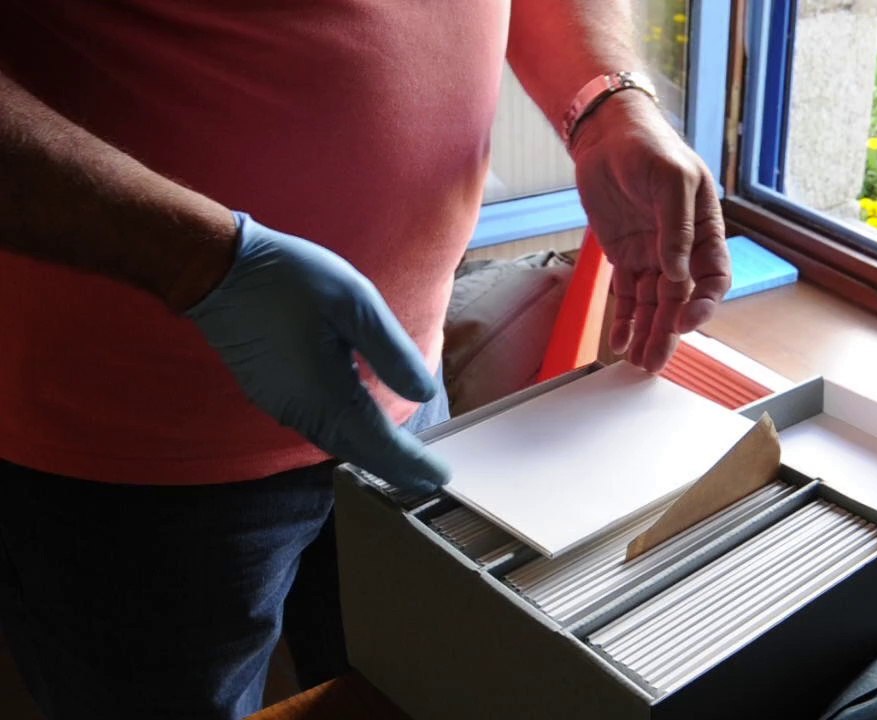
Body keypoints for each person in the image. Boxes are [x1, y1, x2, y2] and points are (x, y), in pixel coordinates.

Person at [0, 1, 730, 718]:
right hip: (132, 454)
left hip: (409, 392)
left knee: (412, 689)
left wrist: (607, 101)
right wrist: (199, 262)